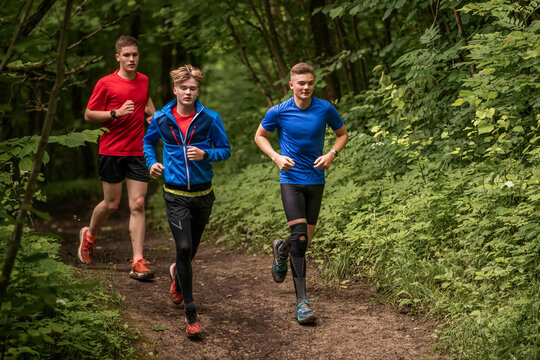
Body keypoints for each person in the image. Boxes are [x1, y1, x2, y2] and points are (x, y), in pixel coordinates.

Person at [254, 62, 348, 324]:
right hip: (291, 180)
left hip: (316, 180)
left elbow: (342, 134)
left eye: (309, 83)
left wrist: (332, 154)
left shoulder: (325, 108)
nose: (305, 87)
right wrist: (276, 157)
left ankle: (281, 251)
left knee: (303, 239)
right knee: (301, 238)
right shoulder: (279, 111)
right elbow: (260, 136)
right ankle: (302, 302)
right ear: (291, 85)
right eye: (301, 83)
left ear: (312, 84)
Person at [143, 64, 231, 336]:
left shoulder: (210, 118)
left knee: (190, 251)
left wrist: (207, 155)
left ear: (197, 90)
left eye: (193, 88)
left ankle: (178, 278)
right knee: (183, 249)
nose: (188, 92)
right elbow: (148, 143)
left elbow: (225, 150)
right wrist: (152, 163)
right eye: (184, 88)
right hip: (175, 195)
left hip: (204, 195)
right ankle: (191, 313)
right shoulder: (161, 118)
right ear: (175, 90)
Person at [78, 35, 156, 281]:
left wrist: (154, 118)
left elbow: (148, 106)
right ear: (118, 57)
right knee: (111, 204)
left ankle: (137, 260)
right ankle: (89, 235)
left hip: (137, 151)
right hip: (111, 150)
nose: (131, 59)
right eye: (127, 55)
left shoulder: (143, 81)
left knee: (138, 203)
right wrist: (115, 113)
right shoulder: (106, 83)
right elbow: (89, 115)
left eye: (135, 55)